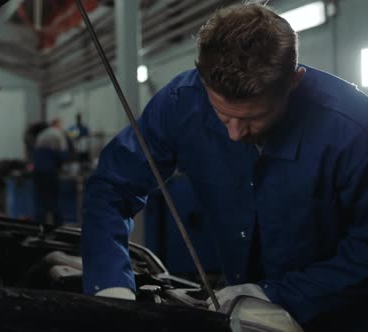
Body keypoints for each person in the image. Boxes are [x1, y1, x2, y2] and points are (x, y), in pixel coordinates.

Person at [81, 3, 368, 331]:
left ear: (293, 81)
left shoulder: (355, 129)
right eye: (223, 114)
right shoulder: (182, 102)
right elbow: (113, 187)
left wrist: (277, 294)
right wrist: (111, 287)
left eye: (252, 118)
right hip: (239, 312)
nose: (234, 133)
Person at [33, 118, 69, 225]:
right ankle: (58, 227)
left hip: (38, 171)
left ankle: (40, 227)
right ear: (57, 125)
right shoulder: (58, 134)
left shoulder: (41, 135)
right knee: (54, 200)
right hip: (50, 172)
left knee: (40, 200)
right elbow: (63, 154)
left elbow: (35, 153)